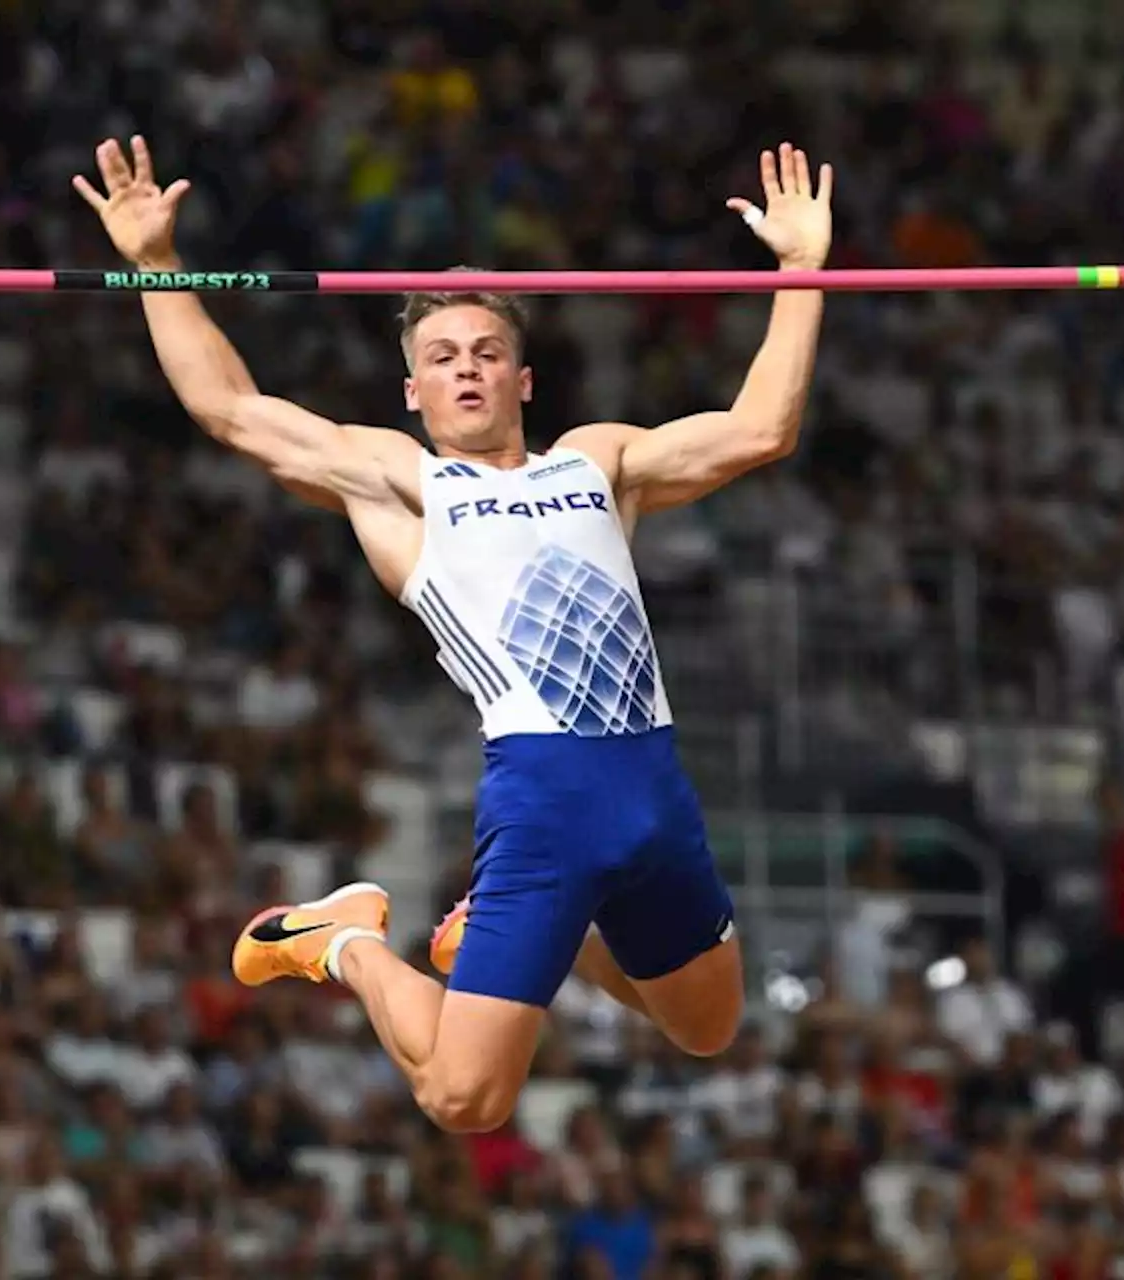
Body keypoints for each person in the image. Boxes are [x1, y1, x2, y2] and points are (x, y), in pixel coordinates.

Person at [74, 135, 833, 1133]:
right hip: (544, 802)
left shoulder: (596, 462)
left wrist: (800, 271)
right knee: (463, 1097)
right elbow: (230, 409)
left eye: (485, 353)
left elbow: (759, 427)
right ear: (411, 390)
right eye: (440, 357)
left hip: (654, 789)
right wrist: (158, 264)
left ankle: (515, 936)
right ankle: (340, 938)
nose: (465, 369)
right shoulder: (405, 485)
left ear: (522, 379)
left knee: (703, 1026)